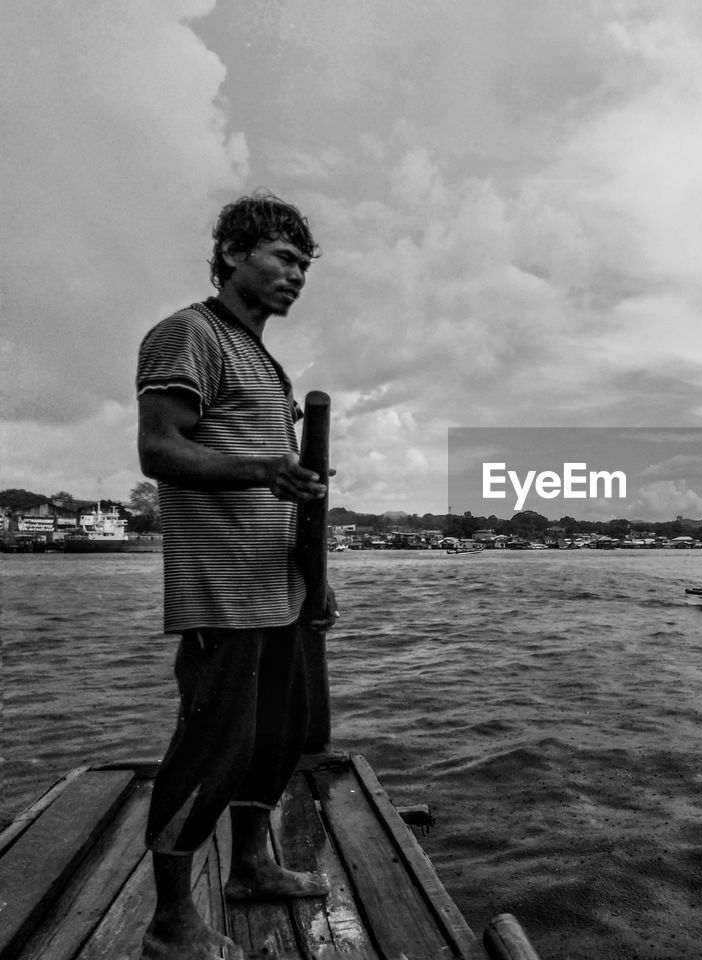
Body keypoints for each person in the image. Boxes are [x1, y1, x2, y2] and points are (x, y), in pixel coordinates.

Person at [135, 191, 338, 960]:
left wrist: (314, 576)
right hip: (222, 589)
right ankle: (169, 923)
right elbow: (160, 450)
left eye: (304, 265)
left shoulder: (264, 360)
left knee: (280, 737)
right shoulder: (189, 334)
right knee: (212, 746)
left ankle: (251, 865)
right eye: (283, 258)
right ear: (231, 254)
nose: (297, 276)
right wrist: (265, 467)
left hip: (278, 586)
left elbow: (285, 491)